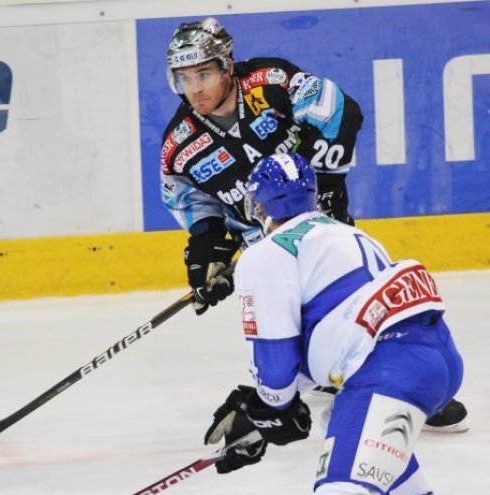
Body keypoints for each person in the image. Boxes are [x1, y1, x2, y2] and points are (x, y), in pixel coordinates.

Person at [160, 16, 468, 433]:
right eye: (184, 78)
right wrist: (206, 244)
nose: (195, 88)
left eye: (203, 74)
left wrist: (326, 181)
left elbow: (340, 111)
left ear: (226, 66)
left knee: (361, 299)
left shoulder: (270, 82)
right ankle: (299, 388)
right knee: (283, 320)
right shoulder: (179, 144)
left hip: (320, 225)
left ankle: (407, 384)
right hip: (265, 244)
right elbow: (187, 198)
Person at [204, 151, 462, 495]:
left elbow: (277, 361)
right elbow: (337, 328)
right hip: (437, 357)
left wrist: (270, 408)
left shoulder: (265, 254)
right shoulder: (345, 233)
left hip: (388, 368)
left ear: (259, 205)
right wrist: (264, 411)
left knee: (341, 491)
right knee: (353, 435)